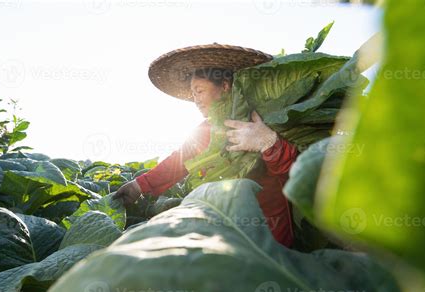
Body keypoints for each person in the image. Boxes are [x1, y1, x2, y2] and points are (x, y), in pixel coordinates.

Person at [113, 44, 298, 247]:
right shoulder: (206, 129)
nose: (196, 100)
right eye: (193, 94)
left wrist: (267, 142)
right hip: (226, 237)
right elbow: (179, 160)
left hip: (271, 239)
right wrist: (139, 185)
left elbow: (296, 173)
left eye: (199, 91)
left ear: (225, 86)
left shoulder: (263, 119)